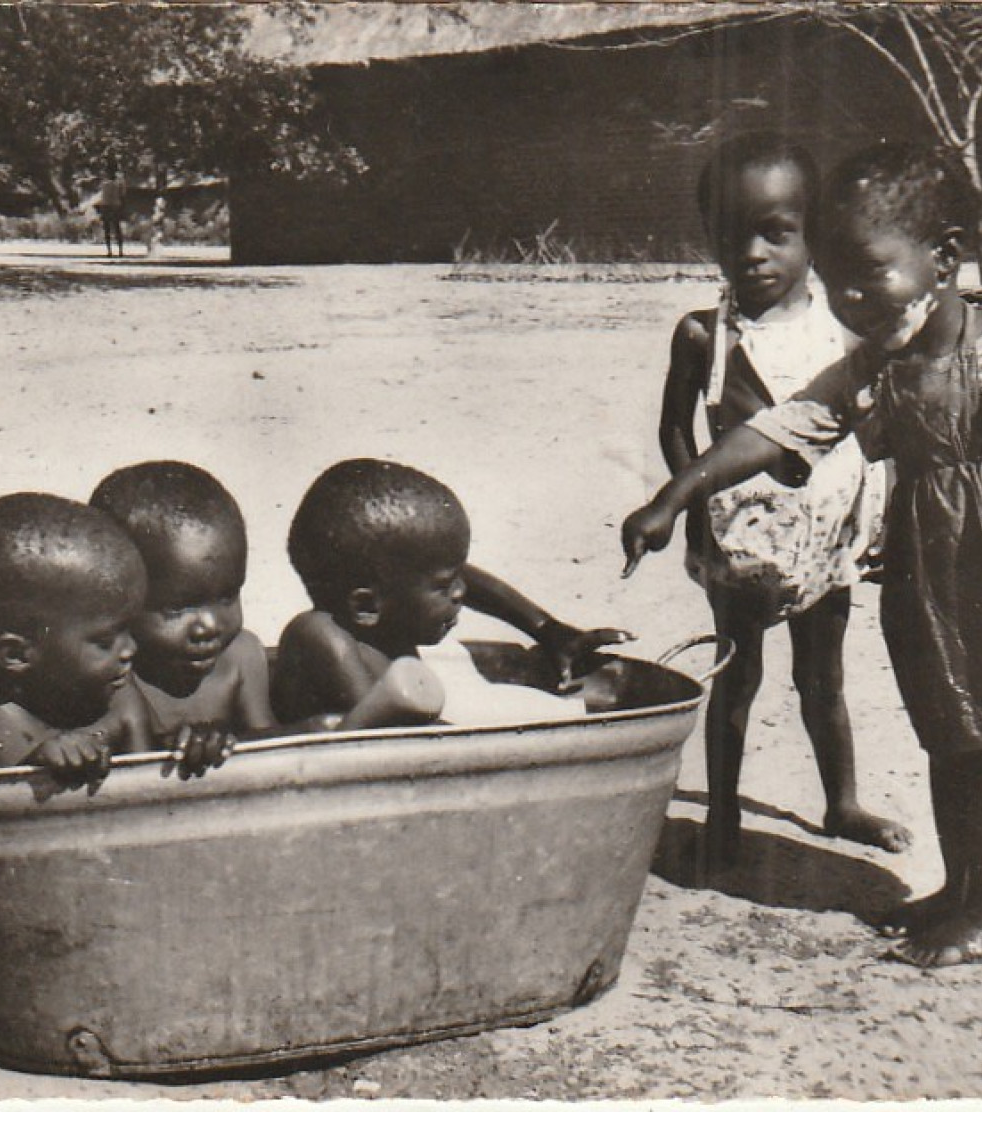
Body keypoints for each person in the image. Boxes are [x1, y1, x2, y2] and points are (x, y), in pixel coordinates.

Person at [621, 143, 982, 967]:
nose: (849, 298)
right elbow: (784, 425)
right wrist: (673, 497)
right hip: (924, 569)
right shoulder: (876, 359)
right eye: (835, 280)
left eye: (869, 273)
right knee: (947, 734)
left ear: (941, 257)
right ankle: (957, 889)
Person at [649, 132, 909, 874]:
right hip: (738, 542)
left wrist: (879, 517)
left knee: (822, 677)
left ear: (812, 235)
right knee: (738, 673)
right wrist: (691, 508)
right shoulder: (705, 335)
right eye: (733, 236)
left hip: (826, 537)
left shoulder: (844, 329)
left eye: (776, 233)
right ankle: (724, 814)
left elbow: (871, 431)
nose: (753, 254)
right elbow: (674, 425)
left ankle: (842, 801)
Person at [274, 458, 629, 728]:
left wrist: (546, 629)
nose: (461, 592)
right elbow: (405, 746)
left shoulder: (380, 613)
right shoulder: (321, 638)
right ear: (366, 605)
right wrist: (571, 713)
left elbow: (445, 575)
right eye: (446, 586)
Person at [0, 492, 156, 783]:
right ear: (17, 654)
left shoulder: (119, 697)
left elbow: (152, 798)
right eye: (104, 642)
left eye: (129, 629)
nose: (131, 649)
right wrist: (32, 770)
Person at [89, 461, 280, 766]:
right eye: (176, 608)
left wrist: (229, 739)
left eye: (228, 596)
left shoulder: (241, 657)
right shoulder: (112, 678)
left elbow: (272, 747)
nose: (210, 626)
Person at [96, 162, 127, 258]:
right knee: (117, 228)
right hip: (115, 205)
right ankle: (120, 250)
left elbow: (100, 193)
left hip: (105, 205)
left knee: (107, 228)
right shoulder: (119, 182)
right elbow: (123, 194)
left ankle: (109, 250)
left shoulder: (103, 183)